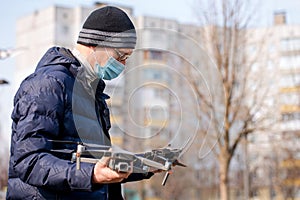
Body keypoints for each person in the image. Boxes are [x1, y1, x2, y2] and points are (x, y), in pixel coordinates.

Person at [7, 6, 155, 200]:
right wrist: (92, 174)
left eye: (127, 58)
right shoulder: (47, 85)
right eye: (121, 56)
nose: (123, 65)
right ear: (96, 43)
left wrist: (146, 165)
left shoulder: (92, 92)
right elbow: (29, 160)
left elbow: (96, 163)